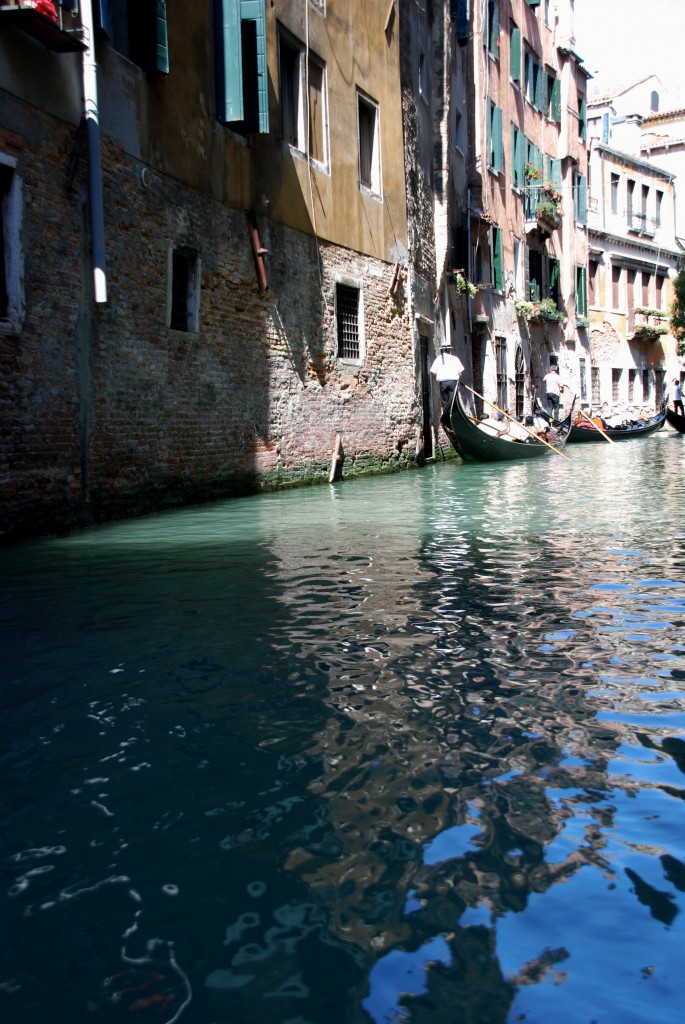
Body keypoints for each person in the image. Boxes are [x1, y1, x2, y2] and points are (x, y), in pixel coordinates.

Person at [430, 343, 465, 411]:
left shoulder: (438, 359)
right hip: (453, 383)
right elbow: (461, 371)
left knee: (444, 402)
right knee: (453, 401)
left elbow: (433, 371)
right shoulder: (455, 358)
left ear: (442, 350)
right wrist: (458, 378)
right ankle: (453, 414)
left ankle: (446, 417)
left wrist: (441, 374)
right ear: (449, 350)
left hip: (443, 383)